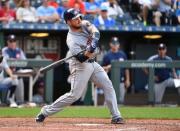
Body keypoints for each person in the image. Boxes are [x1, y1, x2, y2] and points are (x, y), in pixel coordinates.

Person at [36, 8, 124, 124]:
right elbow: (82, 58)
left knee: (108, 85)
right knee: (74, 95)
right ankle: (45, 111)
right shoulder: (71, 40)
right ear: (68, 22)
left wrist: (94, 41)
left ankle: (116, 116)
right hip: (80, 65)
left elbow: (95, 30)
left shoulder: (84, 23)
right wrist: (90, 50)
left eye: (79, 17)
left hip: (93, 63)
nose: (78, 20)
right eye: (75, 19)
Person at [102, 37, 130, 104]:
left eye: (116, 43)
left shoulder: (122, 54)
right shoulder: (107, 55)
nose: (115, 45)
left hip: (121, 81)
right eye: (113, 43)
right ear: (110, 44)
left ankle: (117, 114)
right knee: (108, 101)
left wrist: (128, 79)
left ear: (119, 45)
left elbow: (126, 68)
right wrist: (108, 67)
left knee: (120, 101)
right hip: (110, 81)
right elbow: (102, 68)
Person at [2, 34, 26, 104]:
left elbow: (25, 62)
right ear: (8, 42)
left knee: (20, 99)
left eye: (14, 41)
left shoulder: (19, 50)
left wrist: (15, 61)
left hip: (18, 74)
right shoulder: (5, 50)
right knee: (7, 101)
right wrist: (15, 60)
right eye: (11, 41)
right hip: (7, 76)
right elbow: (5, 62)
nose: (12, 43)